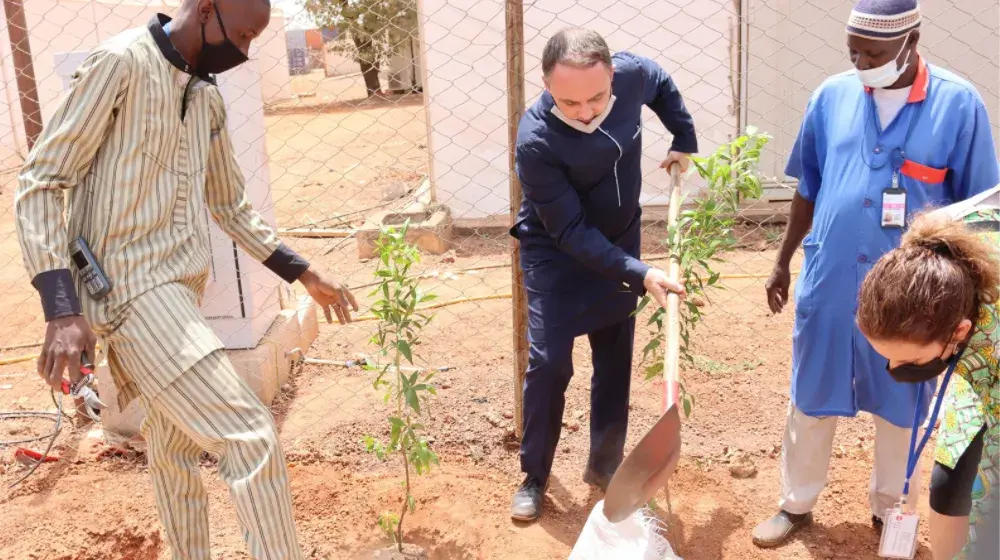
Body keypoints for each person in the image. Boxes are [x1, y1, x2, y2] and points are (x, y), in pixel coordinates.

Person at [14, 1, 358, 558]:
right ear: (205, 9)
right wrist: (60, 306)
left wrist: (301, 270)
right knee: (249, 437)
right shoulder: (120, 64)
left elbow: (229, 204)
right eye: (242, 34)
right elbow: (41, 182)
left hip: (179, 293)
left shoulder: (204, 98)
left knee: (174, 451)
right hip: (127, 291)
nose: (244, 53)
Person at [753, 0, 999, 547]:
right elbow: (807, 186)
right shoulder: (831, 95)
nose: (863, 62)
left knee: (903, 399)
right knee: (811, 392)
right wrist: (782, 260)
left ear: (912, 40)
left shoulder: (958, 105)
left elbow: (980, 208)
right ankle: (795, 504)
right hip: (832, 277)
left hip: (915, 297)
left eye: (875, 52)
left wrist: (966, 305)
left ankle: (892, 511)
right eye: (854, 51)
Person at [508, 27, 693, 521]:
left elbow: (660, 82)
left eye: (596, 96)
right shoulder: (535, 142)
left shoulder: (632, 77)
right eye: (569, 103)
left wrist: (684, 137)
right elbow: (568, 229)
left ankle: (605, 466)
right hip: (557, 255)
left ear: (613, 75)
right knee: (549, 364)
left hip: (619, 243)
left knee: (614, 359)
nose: (586, 111)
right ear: (547, 86)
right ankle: (534, 476)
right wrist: (638, 272)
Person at [857, 189, 999, 560]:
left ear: (959, 331)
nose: (894, 372)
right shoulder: (937, 243)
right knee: (949, 484)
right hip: (977, 369)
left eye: (911, 362)